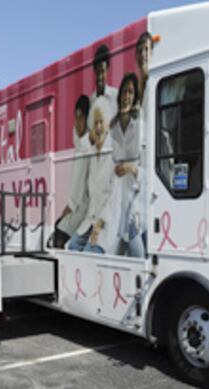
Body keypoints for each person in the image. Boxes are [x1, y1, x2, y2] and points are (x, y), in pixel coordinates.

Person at [67, 96, 118, 255]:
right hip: (90, 220)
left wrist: (100, 223)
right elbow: (80, 150)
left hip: (106, 223)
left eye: (101, 122)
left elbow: (114, 196)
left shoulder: (113, 153)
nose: (98, 127)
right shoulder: (91, 152)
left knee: (89, 254)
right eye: (95, 123)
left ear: (108, 124)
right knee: (71, 247)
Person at [110, 73, 145, 257]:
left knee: (138, 258)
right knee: (117, 256)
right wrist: (114, 169)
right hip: (118, 204)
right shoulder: (112, 126)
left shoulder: (140, 124)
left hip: (137, 204)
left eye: (130, 92)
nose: (126, 96)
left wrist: (132, 168)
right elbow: (107, 163)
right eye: (123, 92)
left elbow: (148, 168)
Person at [51, 95, 90, 248]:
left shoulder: (85, 148)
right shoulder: (80, 144)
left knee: (59, 230)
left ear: (87, 120)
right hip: (79, 206)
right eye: (76, 118)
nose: (77, 123)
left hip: (82, 208)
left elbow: (79, 184)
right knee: (59, 226)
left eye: (81, 118)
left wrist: (69, 207)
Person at [88, 43, 118, 135]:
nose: (100, 76)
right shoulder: (90, 101)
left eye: (103, 72)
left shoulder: (116, 95)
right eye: (98, 72)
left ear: (107, 71)